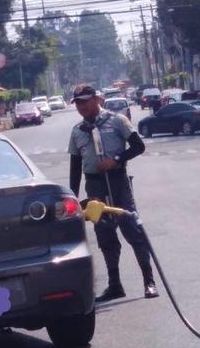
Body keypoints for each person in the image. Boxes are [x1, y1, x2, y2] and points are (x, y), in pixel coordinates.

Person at [68, 84, 159, 302]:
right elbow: (75, 166)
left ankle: (149, 282)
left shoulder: (117, 120)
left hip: (118, 182)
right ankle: (115, 285)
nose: (81, 107)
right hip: (95, 186)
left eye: (84, 101)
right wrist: (72, 195)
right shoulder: (77, 131)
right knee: (105, 236)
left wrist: (116, 160)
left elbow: (138, 146)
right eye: (78, 103)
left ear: (97, 100)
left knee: (132, 229)